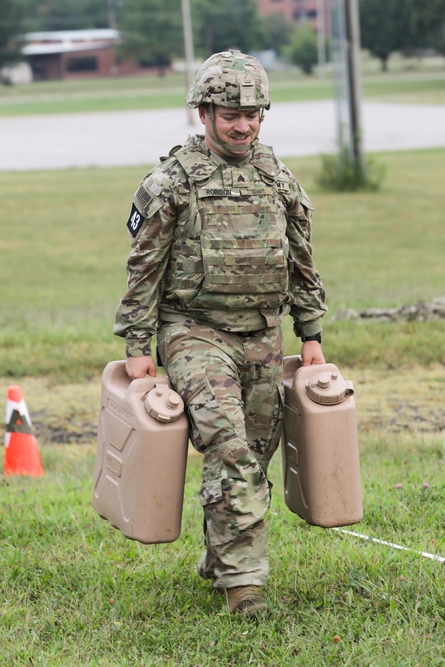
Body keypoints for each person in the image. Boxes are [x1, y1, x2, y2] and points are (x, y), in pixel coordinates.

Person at [113, 49, 328, 617]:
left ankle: (218, 558)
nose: (243, 124)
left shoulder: (278, 180)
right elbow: (144, 269)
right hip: (194, 331)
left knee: (253, 455)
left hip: (262, 334)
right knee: (229, 447)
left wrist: (311, 335)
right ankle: (245, 587)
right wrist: (138, 347)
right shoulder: (171, 183)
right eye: (230, 114)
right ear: (203, 113)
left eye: (253, 114)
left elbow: (303, 263)